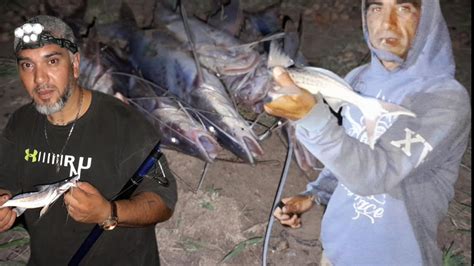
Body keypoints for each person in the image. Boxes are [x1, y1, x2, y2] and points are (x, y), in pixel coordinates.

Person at [265, 0, 471, 265]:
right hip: (336, 252)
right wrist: (316, 194)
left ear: (428, 18)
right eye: (376, 9)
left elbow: (374, 176)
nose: (387, 23)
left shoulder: (443, 99)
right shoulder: (356, 80)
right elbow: (349, 149)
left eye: (404, 8)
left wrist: (313, 118)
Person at [0, 15, 177, 265]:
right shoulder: (21, 123)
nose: (39, 79)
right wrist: (7, 207)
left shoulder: (125, 123)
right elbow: (8, 183)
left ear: (74, 65)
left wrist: (108, 212)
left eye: (51, 61)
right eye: (27, 65)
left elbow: (163, 201)